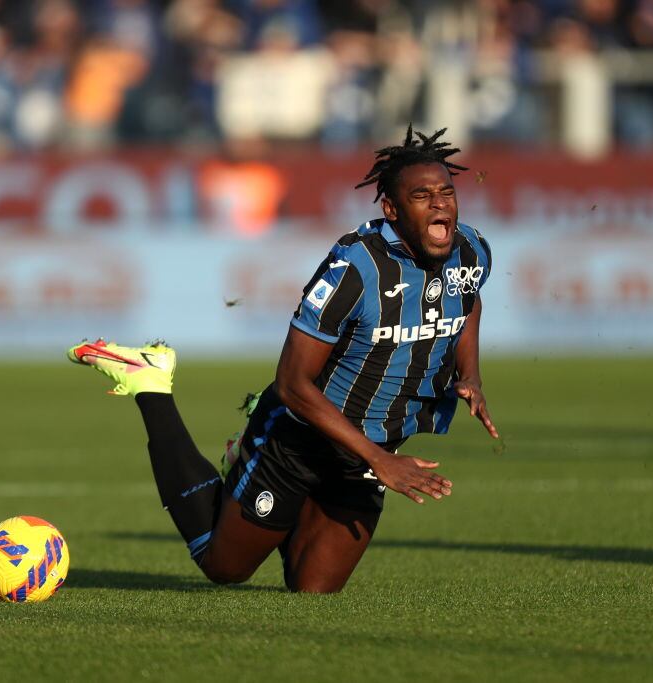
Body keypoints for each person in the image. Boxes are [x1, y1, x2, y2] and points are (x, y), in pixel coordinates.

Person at [67, 125, 499, 593]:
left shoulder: (471, 249)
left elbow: (468, 299)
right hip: (299, 442)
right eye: (422, 195)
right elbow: (293, 383)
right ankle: (149, 384)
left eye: (446, 192)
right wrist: (381, 460)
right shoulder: (355, 267)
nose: (440, 204)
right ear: (392, 210)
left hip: (369, 455)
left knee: (312, 590)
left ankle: (260, 506)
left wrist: (469, 373)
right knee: (225, 568)